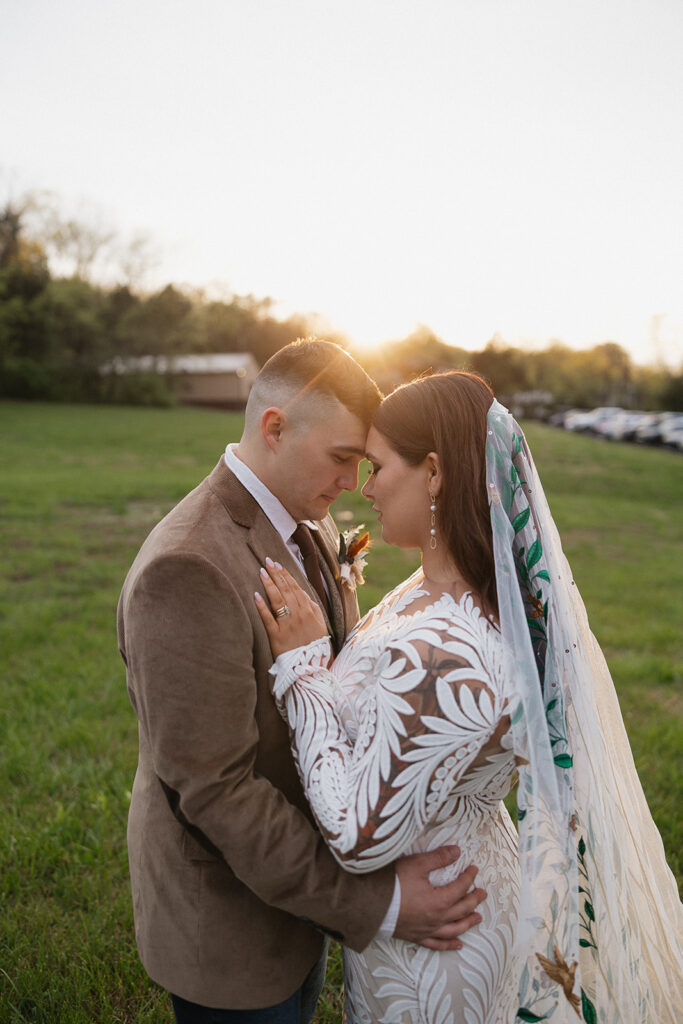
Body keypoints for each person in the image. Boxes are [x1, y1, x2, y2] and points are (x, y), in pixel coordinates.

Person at [255, 370, 683, 1023]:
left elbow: (355, 837)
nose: (364, 488)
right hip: (461, 878)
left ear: (433, 472)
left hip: (440, 932)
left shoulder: (442, 656)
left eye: (376, 467)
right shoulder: (432, 591)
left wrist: (304, 666)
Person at [117, 341, 487, 1024]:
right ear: (275, 427)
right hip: (232, 928)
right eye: (343, 457)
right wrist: (381, 905)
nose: (354, 483)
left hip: (302, 885)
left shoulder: (307, 518)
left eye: (363, 462)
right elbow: (214, 791)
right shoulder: (188, 569)